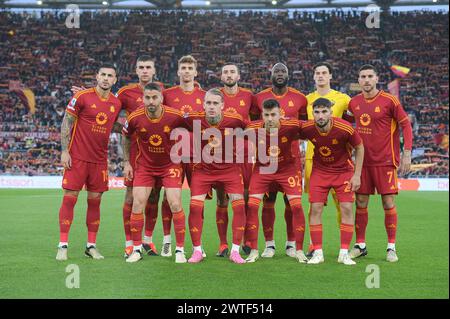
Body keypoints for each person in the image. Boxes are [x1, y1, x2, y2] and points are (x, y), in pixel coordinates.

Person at [71, 55, 165, 258]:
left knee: (154, 197)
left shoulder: (162, 91)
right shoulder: (125, 93)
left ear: (154, 70)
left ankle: (148, 241)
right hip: (134, 153)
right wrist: (86, 98)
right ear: (136, 70)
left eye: (149, 67)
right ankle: (130, 243)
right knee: (131, 197)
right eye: (141, 67)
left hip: (158, 154)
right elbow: (107, 110)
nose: (145, 71)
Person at [346, 64, 413, 263]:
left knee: (388, 202)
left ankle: (391, 247)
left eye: (369, 76)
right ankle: (360, 245)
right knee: (360, 202)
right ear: (358, 81)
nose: (366, 80)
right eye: (362, 76)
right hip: (362, 162)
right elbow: (346, 122)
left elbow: (406, 125)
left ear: (376, 79)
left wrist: (407, 152)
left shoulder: (389, 101)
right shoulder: (354, 103)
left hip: (385, 161)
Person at [56, 63, 123, 261]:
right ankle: (62, 245)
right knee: (70, 199)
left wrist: (134, 128)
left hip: (99, 161)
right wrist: (64, 151)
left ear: (114, 80)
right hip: (76, 157)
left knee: (95, 202)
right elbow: (66, 122)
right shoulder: (82, 96)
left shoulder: (116, 103)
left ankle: (91, 246)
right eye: (102, 74)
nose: (105, 78)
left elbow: (114, 126)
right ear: (97, 76)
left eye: (110, 75)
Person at [121, 83, 188, 263]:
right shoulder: (135, 117)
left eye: (154, 98)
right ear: (142, 98)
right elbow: (126, 136)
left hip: (170, 165)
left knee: (174, 204)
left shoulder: (175, 116)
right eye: (147, 98)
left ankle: (180, 250)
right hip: (145, 166)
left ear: (161, 98)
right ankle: (136, 249)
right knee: (138, 204)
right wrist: (127, 161)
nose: (151, 101)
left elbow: (194, 128)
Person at [249, 62, 307, 258]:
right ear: (271, 74)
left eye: (283, 71)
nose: (280, 74)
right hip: (266, 161)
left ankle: (291, 244)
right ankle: (269, 244)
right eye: (277, 71)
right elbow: (255, 125)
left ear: (289, 74)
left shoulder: (300, 98)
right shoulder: (259, 98)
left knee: (292, 203)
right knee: (268, 202)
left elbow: (305, 128)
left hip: (291, 160)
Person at [185, 88, 247, 264]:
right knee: (195, 207)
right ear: (203, 104)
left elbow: (251, 128)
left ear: (222, 106)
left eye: (215, 103)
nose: (211, 107)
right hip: (203, 171)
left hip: (229, 170)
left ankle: (235, 251)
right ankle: (197, 250)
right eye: (208, 103)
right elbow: (173, 121)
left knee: (239, 206)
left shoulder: (235, 120)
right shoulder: (193, 118)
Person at [299, 98, 364, 265]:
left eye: (324, 112)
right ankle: (318, 253)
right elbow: (291, 128)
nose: (320, 116)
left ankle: (344, 253)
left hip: (343, 171)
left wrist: (357, 175)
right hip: (320, 172)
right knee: (315, 209)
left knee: (347, 208)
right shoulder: (307, 128)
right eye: (317, 112)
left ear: (330, 112)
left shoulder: (344, 127)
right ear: (312, 113)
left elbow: (360, 147)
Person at [160, 55, 206, 258]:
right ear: (178, 72)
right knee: (169, 199)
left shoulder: (205, 96)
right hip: (173, 156)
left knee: (198, 200)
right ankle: (167, 241)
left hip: (198, 155)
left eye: (190, 68)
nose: (187, 71)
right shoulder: (167, 94)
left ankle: (198, 245)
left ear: (196, 72)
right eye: (183, 68)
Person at [304, 62, 351, 257]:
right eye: (317, 73)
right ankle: (313, 245)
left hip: (339, 161)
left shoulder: (343, 99)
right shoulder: (305, 99)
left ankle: (345, 248)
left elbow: (356, 118)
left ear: (330, 76)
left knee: (343, 204)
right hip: (312, 158)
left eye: (324, 73)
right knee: (314, 204)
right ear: (313, 77)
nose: (321, 76)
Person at [214, 63, 254, 257]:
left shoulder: (248, 96)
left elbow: (254, 121)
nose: (228, 75)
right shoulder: (214, 96)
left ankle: (245, 239)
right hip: (220, 155)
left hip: (244, 154)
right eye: (225, 72)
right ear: (221, 77)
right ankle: (223, 244)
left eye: (232, 72)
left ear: (238, 76)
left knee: (244, 197)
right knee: (222, 199)